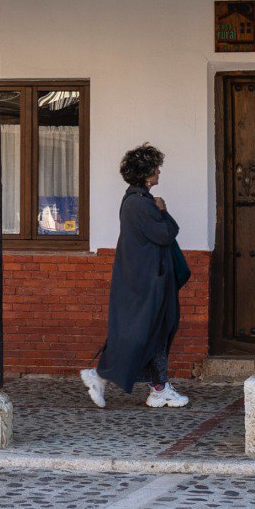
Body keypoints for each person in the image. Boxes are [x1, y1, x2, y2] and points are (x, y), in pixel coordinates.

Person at [82, 143, 190, 409]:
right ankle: (108, 376)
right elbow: (165, 234)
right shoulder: (140, 205)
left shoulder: (136, 201)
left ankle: (158, 387)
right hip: (148, 282)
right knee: (150, 332)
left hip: (148, 279)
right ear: (145, 173)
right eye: (155, 168)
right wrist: (163, 210)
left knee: (153, 332)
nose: (159, 172)